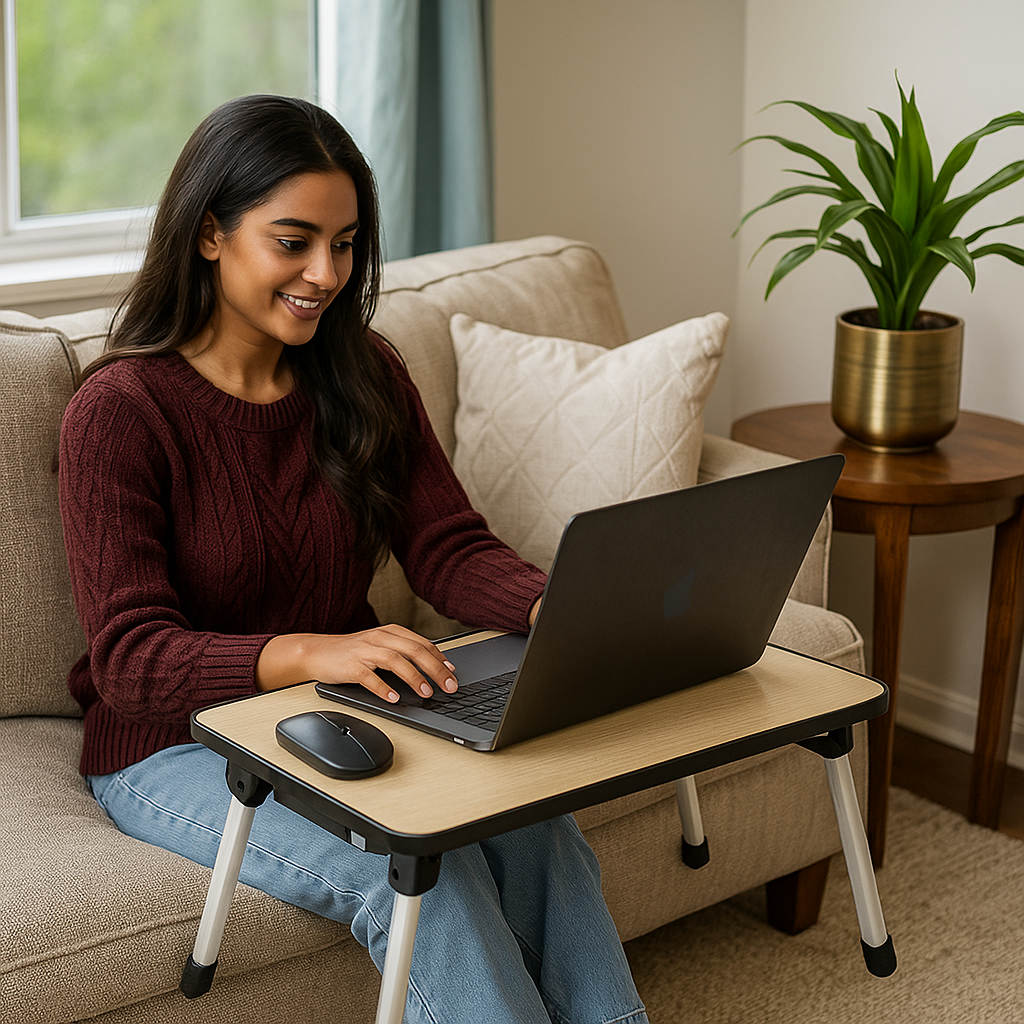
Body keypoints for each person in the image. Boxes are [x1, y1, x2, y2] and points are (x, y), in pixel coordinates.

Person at [59, 94, 649, 1024]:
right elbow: (130, 660)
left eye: (345, 243)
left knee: (543, 835)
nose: (325, 273)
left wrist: (560, 606)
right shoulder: (122, 411)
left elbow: (445, 545)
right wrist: (306, 652)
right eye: (293, 241)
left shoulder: (363, 371)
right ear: (210, 235)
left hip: (339, 712)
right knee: (422, 880)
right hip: (171, 746)